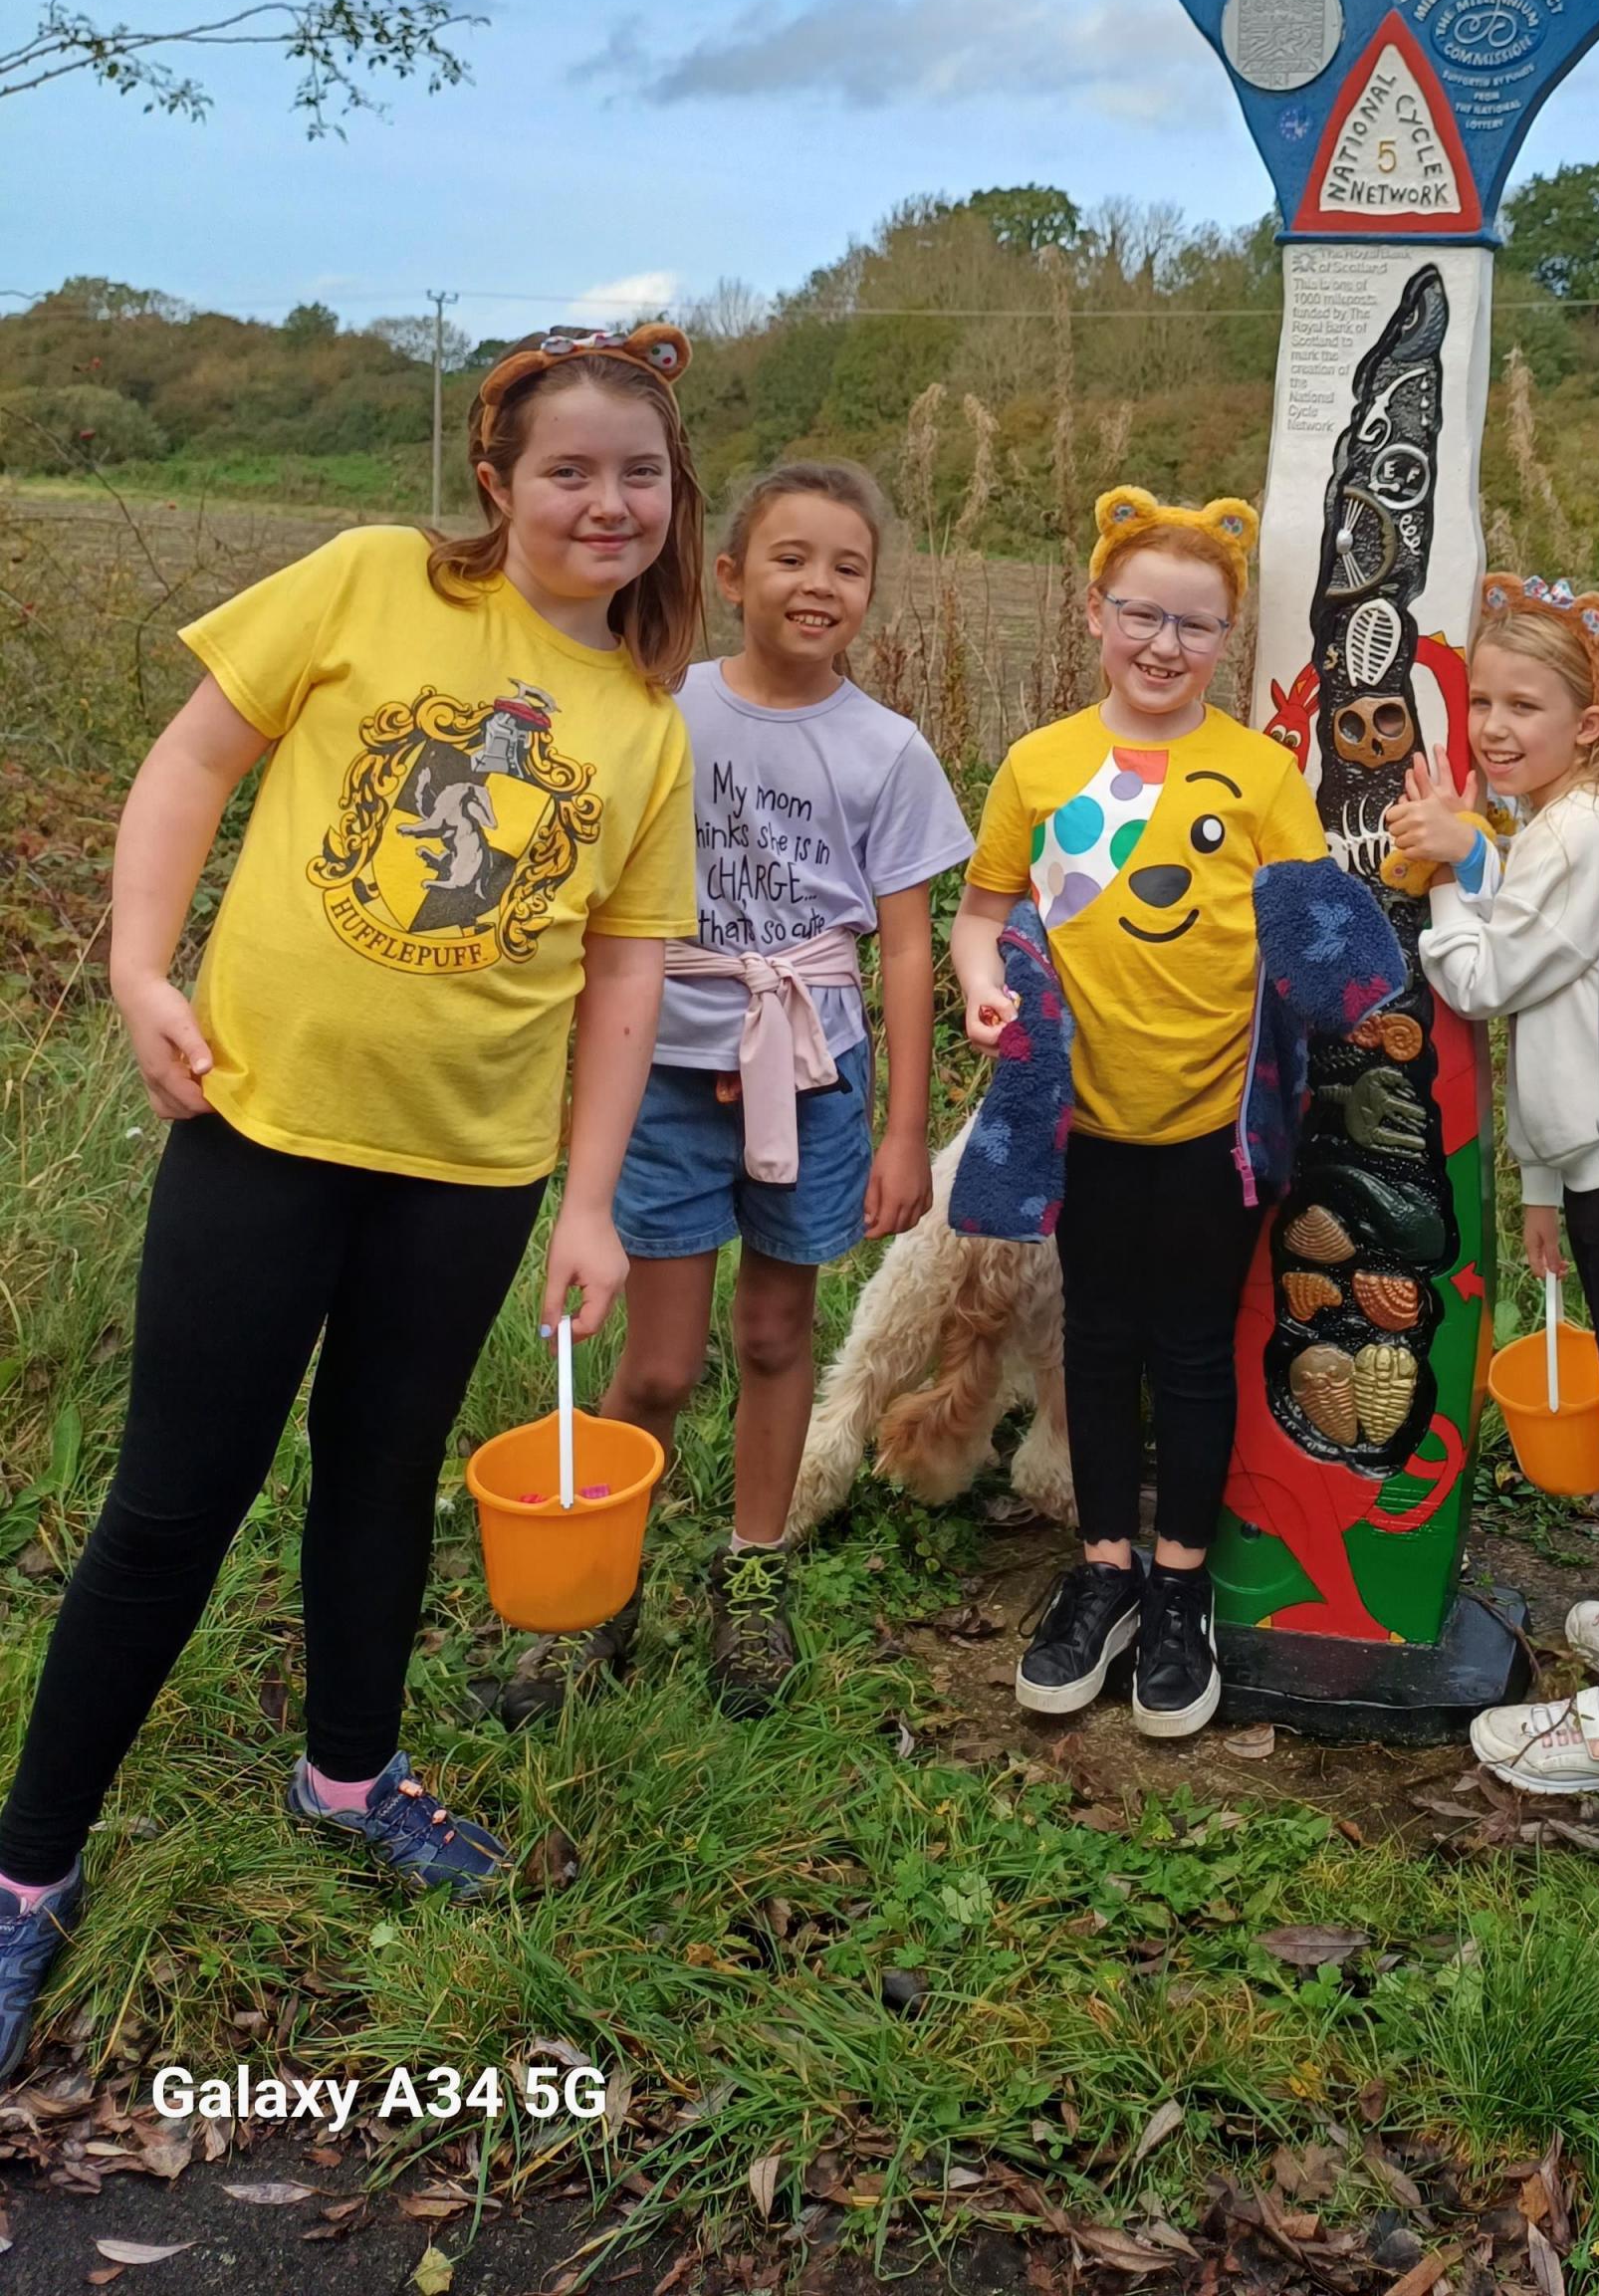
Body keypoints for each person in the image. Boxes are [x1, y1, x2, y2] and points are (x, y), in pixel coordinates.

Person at [0, 325, 703, 2078]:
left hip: (468, 1171)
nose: (606, 501)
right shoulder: (371, 582)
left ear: (674, 498)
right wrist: (140, 969)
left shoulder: (642, 723)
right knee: (173, 1507)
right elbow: (188, 765)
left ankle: (351, 1770)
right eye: (570, 469)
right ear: (497, 482)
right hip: (265, 1126)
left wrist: (591, 1204)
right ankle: (25, 1876)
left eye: (640, 473)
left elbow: (625, 983)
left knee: (380, 1485)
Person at [501, 460, 971, 1724]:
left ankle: (751, 1571)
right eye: (791, 557)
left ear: (870, 591)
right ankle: (600, 1590)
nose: (818, 584)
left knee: (773, 1334)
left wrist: (905, 1129)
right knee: (652, 1363)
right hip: (663, 1068)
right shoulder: (667, 708)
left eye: (847, 566)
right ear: (728, 574)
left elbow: (913, 944)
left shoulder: (888, 749)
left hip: (813, 1075)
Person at [950, 487, 1335, 1739]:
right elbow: (981, 911)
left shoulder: (1263, 772)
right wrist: (979, 984)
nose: (1166, 645)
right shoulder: (1040, 764)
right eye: (1142, 616)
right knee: (1097, 1341)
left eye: (1198, 625)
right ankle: (1103, 1566)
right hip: (1085, 1119)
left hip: (1218, 1126)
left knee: (1192, 1345)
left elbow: (1315, 937)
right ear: (1097, 613)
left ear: (1229, 637)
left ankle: (1182, 1587)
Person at [1383, 574, 1599, 1791]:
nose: (1495, 731)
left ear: (1590, 721)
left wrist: (1457, 864)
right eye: (1484, 708)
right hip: (1597, 1158)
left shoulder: (1575, 833)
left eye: (1528, 706)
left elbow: (1487, 983)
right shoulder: (1561, 822)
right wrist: (1537, 1184)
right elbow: (1569, 1023)